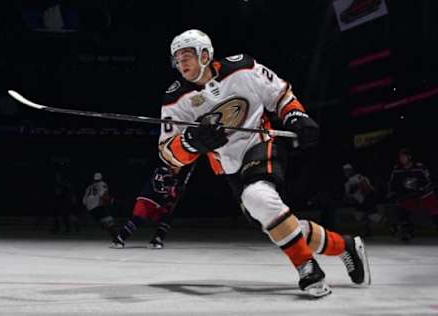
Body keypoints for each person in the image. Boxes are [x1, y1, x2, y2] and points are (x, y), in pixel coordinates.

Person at [158, 29, 371, 297]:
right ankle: (345, 246)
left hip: (261, 143)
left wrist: (295, 116)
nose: (181, 63)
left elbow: (280, 95)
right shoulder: (175, 99)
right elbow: (168, 154)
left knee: (258, 197)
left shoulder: (243, 68)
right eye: (176, 58)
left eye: (186, 55)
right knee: (273, 219)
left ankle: (308, 268)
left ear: (205, 53)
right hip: (229, 167)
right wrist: (190, 143)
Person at [112, 165, 189, 249]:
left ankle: (157, 239)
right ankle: (119, 238)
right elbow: (158, 188)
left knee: (167, 218)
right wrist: (174, 190)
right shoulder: (162, 171)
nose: (180, 169)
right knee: (138, 219)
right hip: (147, 200)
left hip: (157, 204)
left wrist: (178, 192)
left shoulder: (174, 179)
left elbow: (170, 195)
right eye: (178, 166)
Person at [388, 148, 438, 241]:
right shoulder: (397, 170)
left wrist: (421, 189)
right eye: (400, 157)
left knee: (434, 209)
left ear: (409, 157)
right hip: (409, 196)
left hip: (424, 195)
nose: (401, 159)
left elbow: (429, 180)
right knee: (401, 210)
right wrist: (396, 193)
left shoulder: (419, 167)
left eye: (403, 156)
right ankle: (407, 232)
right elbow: (392, 184)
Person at [343, 163, 381, 236]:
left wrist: (361, 190)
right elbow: (349, 195)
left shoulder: (358, 177)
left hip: (368, 199)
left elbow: (367, 187)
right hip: (359, 201)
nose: (347, 172)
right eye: (345, 171)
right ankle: (367, 231)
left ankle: (392, 226)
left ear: (351, 170)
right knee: (360, 216)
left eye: (348, 170)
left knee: (374, 216)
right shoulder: (347, 183)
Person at [82, 172, 117, 243]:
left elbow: (84, 201)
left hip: (90, 208)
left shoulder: (89, 187)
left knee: (106, 221)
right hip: (97, 207)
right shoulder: (102, 184)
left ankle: (104, 226)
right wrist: (112, 200)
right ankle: (117, 239)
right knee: (110, 222)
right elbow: (104, 195)